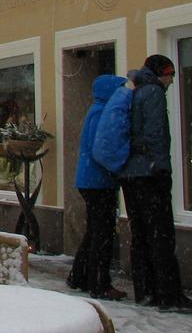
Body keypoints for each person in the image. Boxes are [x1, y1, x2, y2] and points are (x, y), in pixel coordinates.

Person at [117, 55, 191, 312]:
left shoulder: (135, 91)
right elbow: (156, 134)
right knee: (160, 234)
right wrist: (161, 168)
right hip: (148, 173)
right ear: (163, 73)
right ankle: (168, 296)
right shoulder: (154, 93)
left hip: (130, 174)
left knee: (141, 234)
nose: (171, 81)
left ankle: (145, 291)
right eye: (170, 75)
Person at [67, 74, 127, 300]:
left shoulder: (95, 110)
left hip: (90, 179)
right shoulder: (103, 113)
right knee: (101, 233)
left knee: (94, 231)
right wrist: (119, 167)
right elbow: (102, 150)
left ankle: (80, 275)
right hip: (98, 181)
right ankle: (99, 283)